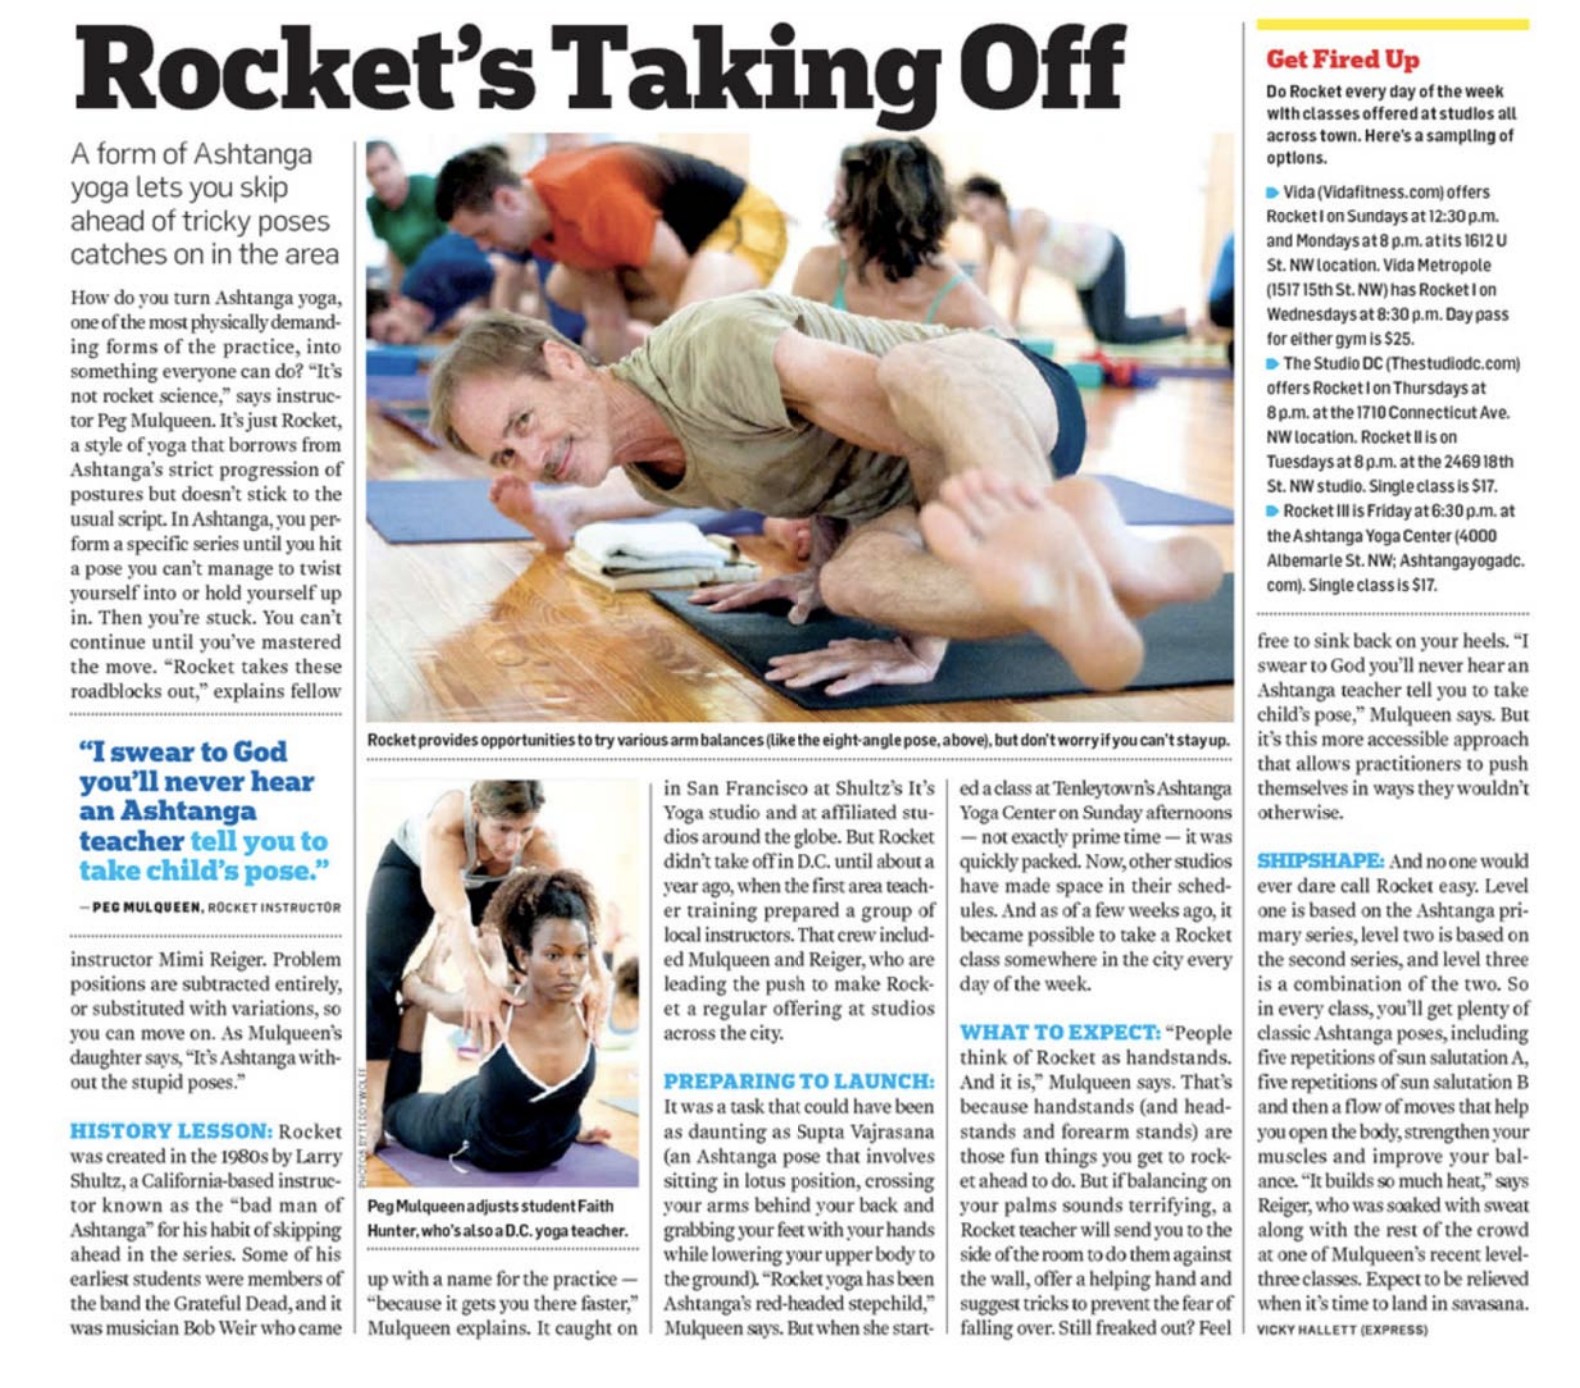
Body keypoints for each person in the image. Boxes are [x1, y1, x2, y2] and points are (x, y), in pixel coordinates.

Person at [426, 295, 1223, 697]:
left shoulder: (708, 350)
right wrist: (840, 576)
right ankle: (1116, 572)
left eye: (523, 420)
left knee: (919, 370)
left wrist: (929, 634)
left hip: (1004, 402)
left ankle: (1037, 535)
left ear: (563, 361)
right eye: (506, 452)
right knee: (848, 587)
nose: (532, 457)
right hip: (922, 489)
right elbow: (830, 470)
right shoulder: (645, 465)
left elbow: (915, 424)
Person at [364, 781, 609, 1150]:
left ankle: (561, 1109)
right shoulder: (444, 828)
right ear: (477, 812)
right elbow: (454, 913)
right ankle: (369, 1113)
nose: (514, 844)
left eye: (524, 829)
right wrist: (474, 981)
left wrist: (599, 973)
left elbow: (577, 910)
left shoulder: (537, 842)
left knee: (540, 966)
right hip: (414, 870)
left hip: (488, 885)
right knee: (376, 975)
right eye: (503, 829)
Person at [435, 143, 787, 363]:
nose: (483, 247)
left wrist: (676, 347)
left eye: (483, 233)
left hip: (744, 218)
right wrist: (612, 388)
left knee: (688, 331)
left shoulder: (591, 201)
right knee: (562, 287)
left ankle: (749, 318)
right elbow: (603, 309)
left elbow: (671, 271)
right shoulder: (536, 224)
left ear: (507, 200)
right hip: (679, 247)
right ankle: (725, 315)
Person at [384, 869, 612, 1171]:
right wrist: (417, 986)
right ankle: (436, 960)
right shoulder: (498, 1008)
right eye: (554, 956)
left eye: (580, 955)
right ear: (523, 956)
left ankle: (478, 963)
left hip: (540, 1138)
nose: (570, 969)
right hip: (472, 1130)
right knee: (394, 1108)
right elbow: (422, 996)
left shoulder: (589, 1008)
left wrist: (575, 1126)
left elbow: (557, 1095)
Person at [792, 139, 1008, 334]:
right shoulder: (820, 269)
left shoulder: (955, 300)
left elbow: (1027, 364)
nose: (830, 213)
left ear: (879, 214)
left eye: (840, 199)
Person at [958, 174, 1188, 345]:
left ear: (998, 201)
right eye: (972, 216)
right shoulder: (993, 235)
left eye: (982, 210)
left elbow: (1020, 276)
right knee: (1103, 334)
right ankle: (1168, 318)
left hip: (1103, 253)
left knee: (1116, 333)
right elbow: (984, 274)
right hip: (1081, 275)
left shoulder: (1027, 220)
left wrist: (1010, 329)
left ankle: (1187, 330)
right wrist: (979, 321)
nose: (980, 221)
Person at [367, 233, 497, 344]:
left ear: (394, 301)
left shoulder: (433, 273)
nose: (398, 341)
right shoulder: (430, 322)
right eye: (387, 342)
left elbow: (503, 268)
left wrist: (493, 315)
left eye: (391, 328)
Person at [365, 142, 447, 293]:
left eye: (384, 169)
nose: (379, 180)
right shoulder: (374, 206)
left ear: (399, 165)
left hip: (448, 272)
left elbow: (457, 239)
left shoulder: (427, 188)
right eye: (371, 174)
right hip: (416, 281)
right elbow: (393, 253)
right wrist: (394, 295)